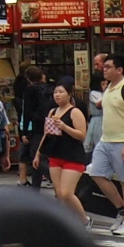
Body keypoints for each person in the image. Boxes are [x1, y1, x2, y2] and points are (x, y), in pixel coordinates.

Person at [86, 54, 124, 236]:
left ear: (119, 70)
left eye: (109, 67)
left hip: (122, 141)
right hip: (105, 140)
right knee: (96, 172)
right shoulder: (109, 88)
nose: (104, 69)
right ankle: (121, 209)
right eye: (104, 66)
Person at [36, 83, 91, 224]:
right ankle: (66, 220)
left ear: (69, 94)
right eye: (55, 92)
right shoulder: (52, 112)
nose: (57, 95)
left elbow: (82, 135)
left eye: (61, 92)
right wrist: (38, 153)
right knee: (59, 193)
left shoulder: (75, 112)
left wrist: (64, 127)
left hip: (73, 156)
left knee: (67, 193)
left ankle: (84, 220)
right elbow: (46, 134)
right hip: (55, 155)